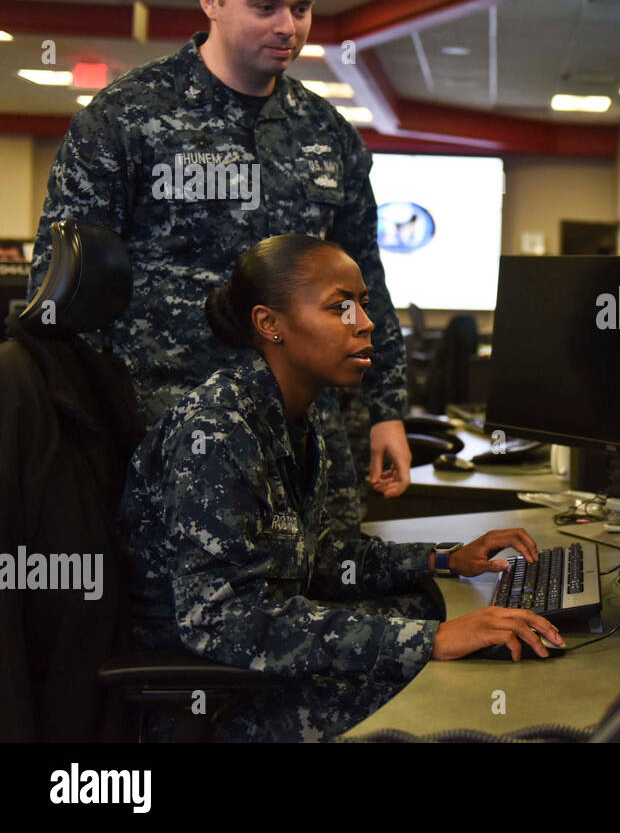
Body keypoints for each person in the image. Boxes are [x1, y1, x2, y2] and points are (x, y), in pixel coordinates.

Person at [29, 0, 407, 538]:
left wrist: (387, 411)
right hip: (169, 441)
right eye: (266, 6)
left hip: (306, 445)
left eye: (301, 8)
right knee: (185, 626)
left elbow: (365, 280)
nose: (289, 28)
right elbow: (61, 295)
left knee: (322, 602)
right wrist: (76, 437)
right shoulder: (126, 119)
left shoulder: (329, 135)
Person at [116, 235, 564, 742]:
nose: (366, 323)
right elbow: (220, 620)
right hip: (220, 692)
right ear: (270, 324)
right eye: (340, 307)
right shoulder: (217, 431)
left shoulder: (293, 418)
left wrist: (443, 559)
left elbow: (318, 557)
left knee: (426, 608)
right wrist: (428, 641)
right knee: (447, 687)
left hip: (258, 661)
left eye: (364, 305)